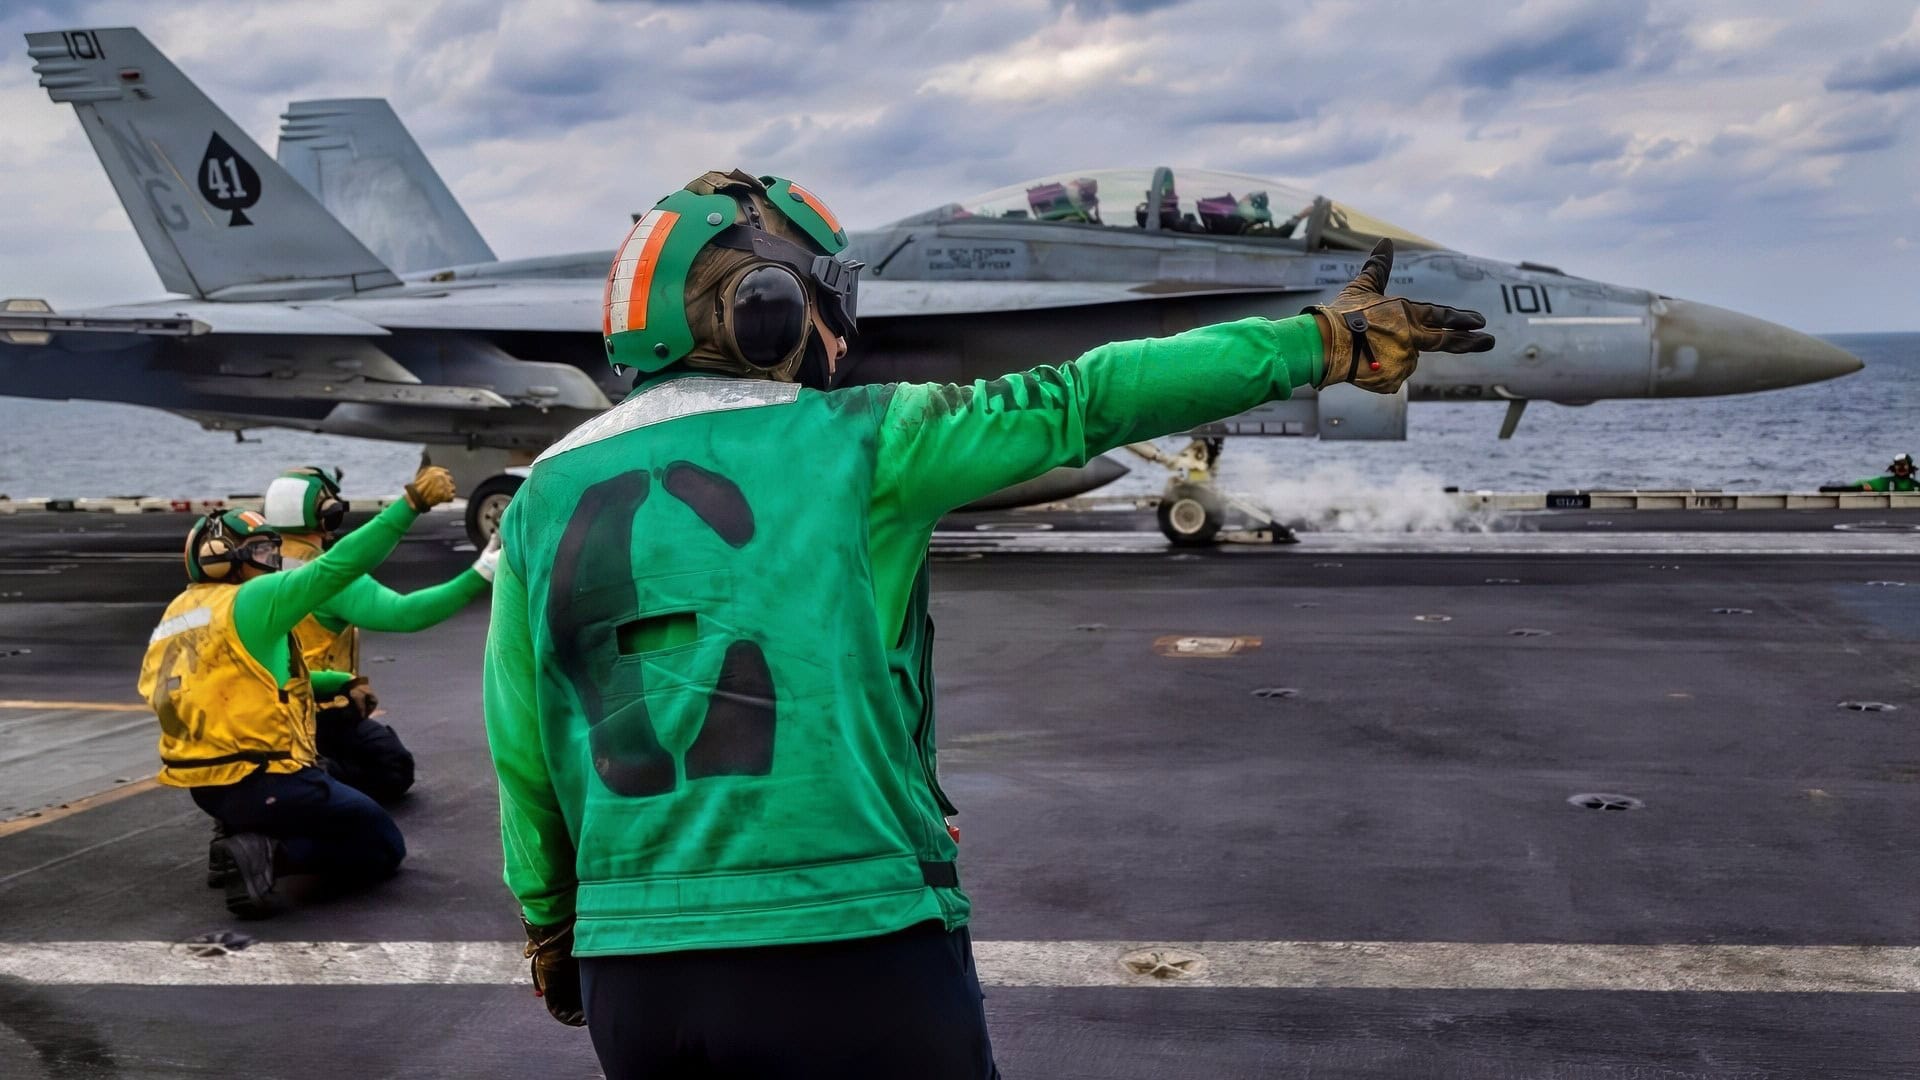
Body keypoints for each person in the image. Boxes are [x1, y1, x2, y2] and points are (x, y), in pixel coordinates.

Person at [482, 169, 1493, 1077]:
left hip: (636, 983)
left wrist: (550, 926)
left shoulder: (538, 499)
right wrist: (1322, 339)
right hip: (851, 947)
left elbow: (520, 746)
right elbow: (1090, 400)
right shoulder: (865, 441)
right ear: (767, 309)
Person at [139, 467, 458, 917]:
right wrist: (412, 506)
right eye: (259, 553)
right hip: (267, 775)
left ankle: (239, 834)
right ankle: (268, 854)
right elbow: (341, 566)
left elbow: (249, 680)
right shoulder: (252, 599)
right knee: (383, 844)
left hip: (205, 784)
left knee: (353, 779)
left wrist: (336, 681)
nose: (271, 562)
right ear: (219, 558)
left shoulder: (182, 611)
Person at [260, 466, 502, 803]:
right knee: (392, 769)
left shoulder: (252, 571)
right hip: (316, 712)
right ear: (326, 515)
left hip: (257, 714)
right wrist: (482, 573)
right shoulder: (325, 578)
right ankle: (308, 776)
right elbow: (406, 614)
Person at [1845, 453, 1917, 492]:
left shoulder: (1916, 485)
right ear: (1894, 467)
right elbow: (1860, 482)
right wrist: (1864, 485)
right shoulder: (1885, 482)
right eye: (1898, 465)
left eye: (1904, 465)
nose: (1901, 468)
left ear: (1910, 467)